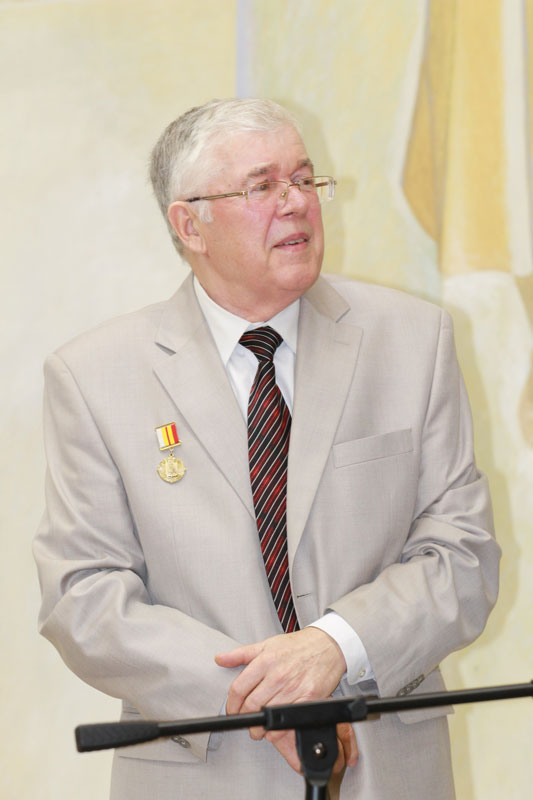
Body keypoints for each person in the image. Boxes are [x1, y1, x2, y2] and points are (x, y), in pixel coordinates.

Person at [34, 98, 501, 800]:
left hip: (386, 772)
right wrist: (258, 693)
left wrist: (335, 645)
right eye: (262, 186)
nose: (297, 203)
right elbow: (84, 598)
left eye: (304, 179)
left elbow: (462, 555)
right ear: (189, 224)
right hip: (200, 772)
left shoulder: (413, 340)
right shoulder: (95, 376)